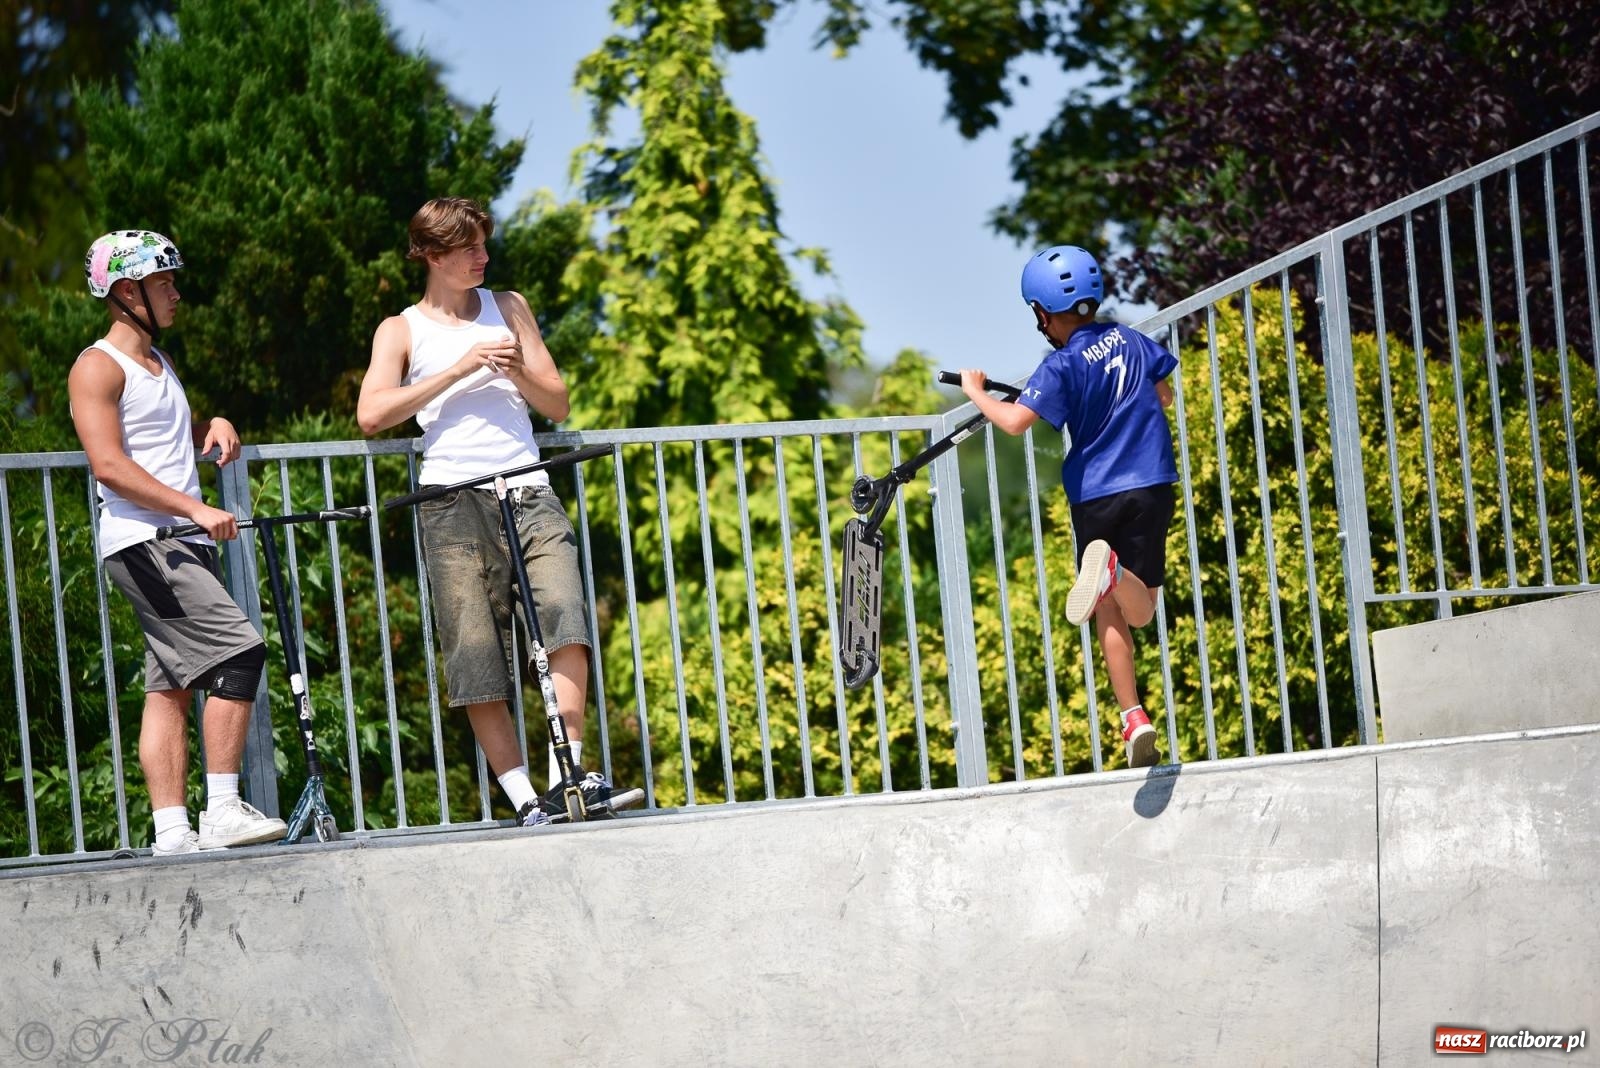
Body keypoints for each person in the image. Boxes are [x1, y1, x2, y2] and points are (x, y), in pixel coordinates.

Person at [357, 196, 620, 827]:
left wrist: (517, 372)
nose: (484, 256)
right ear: (433, 255)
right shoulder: (401, 329)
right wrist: (458, 369)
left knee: (565, 615)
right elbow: (372, 416)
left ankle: (568, 778)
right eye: (470, 247)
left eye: (484, 244)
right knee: (476, 651)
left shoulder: (509, 306)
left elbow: (556, 403)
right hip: (450, 500)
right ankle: (527, 801)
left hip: (527, 486)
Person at [69, 229, 289, 854]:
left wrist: (209, 424)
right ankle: (221, 810)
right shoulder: (95, 366)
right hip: (146, 542)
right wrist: (196, 507)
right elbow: (109, 465)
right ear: (126, 290)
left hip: (177, 542)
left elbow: (162, 438)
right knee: (240, 652)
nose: (177, 292)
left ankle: (172, 831)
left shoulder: (158, 364)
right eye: (164, 282)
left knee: (170, 687)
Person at [959, 244, 1177, 769]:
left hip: (1095, 495)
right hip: (1151, 482)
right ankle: (1134, 715)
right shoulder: (1132, 339)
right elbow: (1164, 395)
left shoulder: (1059, 364)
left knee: (1118, 610)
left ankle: (1133, 716)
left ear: (1041, 312)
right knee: (1140, 608)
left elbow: (1013, 423)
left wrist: (976, 392)